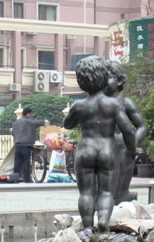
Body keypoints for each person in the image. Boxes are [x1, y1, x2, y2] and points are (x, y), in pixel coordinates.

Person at [63, 55, 136, 231]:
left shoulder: (79, 106)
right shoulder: (113, 104)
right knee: (106, 192)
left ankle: (88, 228)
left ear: (81, 81)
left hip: (85, 150)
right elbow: (128, 130)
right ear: (105, 78)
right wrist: (132, 150)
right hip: (107, 150)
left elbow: (67, 124)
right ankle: (103, 221)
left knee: (86, 193)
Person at [105, 60, 147, 204]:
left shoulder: (125, 103)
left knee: (120, 188)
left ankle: (125, 203)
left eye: (107, 77)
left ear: (119, 80)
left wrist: (133, 145)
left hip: (123, 149)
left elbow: (142, 126)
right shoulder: (97, 103)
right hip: (103, 148)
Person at [11, 108, 49, 182]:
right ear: (27, 114)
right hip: (26, 145)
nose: (31, 115)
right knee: (26, 163)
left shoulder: (16, 122)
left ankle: (15, 178)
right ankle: (27, 179)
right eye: (30, 114)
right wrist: (45, 121)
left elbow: (13, 133)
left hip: (17, 145)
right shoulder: (29, 122)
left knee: (17, 164)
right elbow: (38, 122)